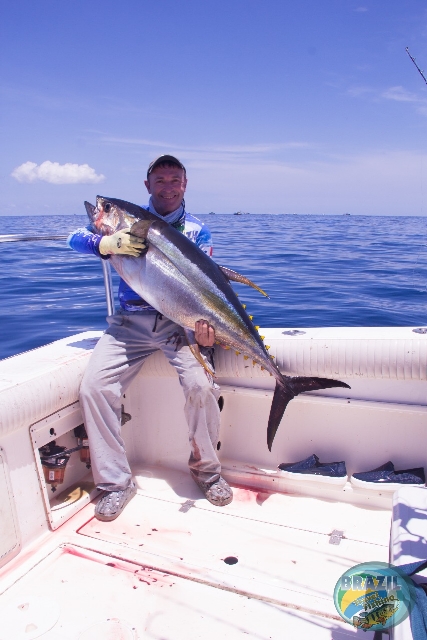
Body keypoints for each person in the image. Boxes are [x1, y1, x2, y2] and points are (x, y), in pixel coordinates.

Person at [67, 155, 233, 521]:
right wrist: (106, 245)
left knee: (201, 387)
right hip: (129, 323)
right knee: (95, 388)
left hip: (180, 326)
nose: (168, 186)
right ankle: (115, 484)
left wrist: (205, 330)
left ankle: (207, 472)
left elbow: (205, 288)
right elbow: (73, 239)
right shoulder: (126, 223)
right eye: (160, 180)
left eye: (175, 180)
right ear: (148, 186)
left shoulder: (197, 231)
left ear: (185, 185)